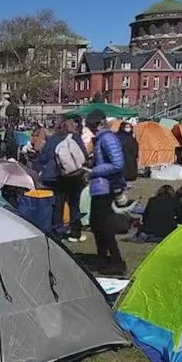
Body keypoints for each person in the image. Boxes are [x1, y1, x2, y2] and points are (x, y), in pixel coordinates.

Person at [86, 109, 127, 275]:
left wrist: (94, 171)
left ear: (99, 123)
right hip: (100, 185)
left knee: (104, 226)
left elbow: (118, 164)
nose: (90, 128)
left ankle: (116, 261)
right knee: (97, 225)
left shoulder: (107, 138)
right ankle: (103, 258)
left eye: (92, 125)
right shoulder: (101, 139)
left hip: (105, 186)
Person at [33, 119, 87, 242]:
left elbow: (43, 157)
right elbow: (83, 155)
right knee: (74, 204)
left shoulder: (52, 139)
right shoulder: (75, 137)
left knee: (58, 204)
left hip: (54, 176)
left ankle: (58, 231)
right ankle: (75, 232)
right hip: (73, 176)